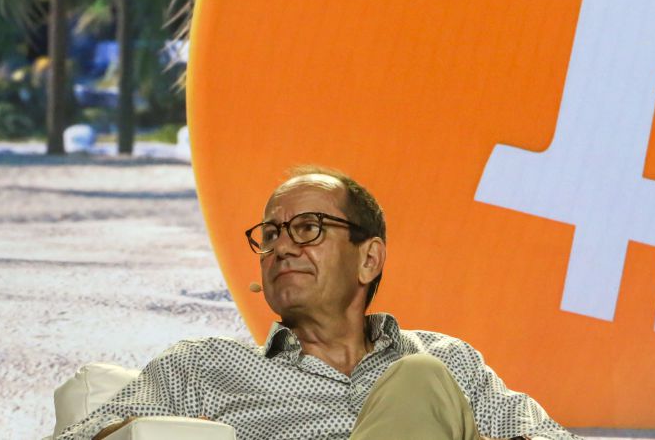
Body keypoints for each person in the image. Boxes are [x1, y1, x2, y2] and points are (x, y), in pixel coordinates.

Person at [57, 165, 580, 440]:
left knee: (418, 379)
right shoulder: (203, 367)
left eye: (308, 228)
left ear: (368, 258)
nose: (281, 246)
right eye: (270, 235)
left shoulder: (448, 361)